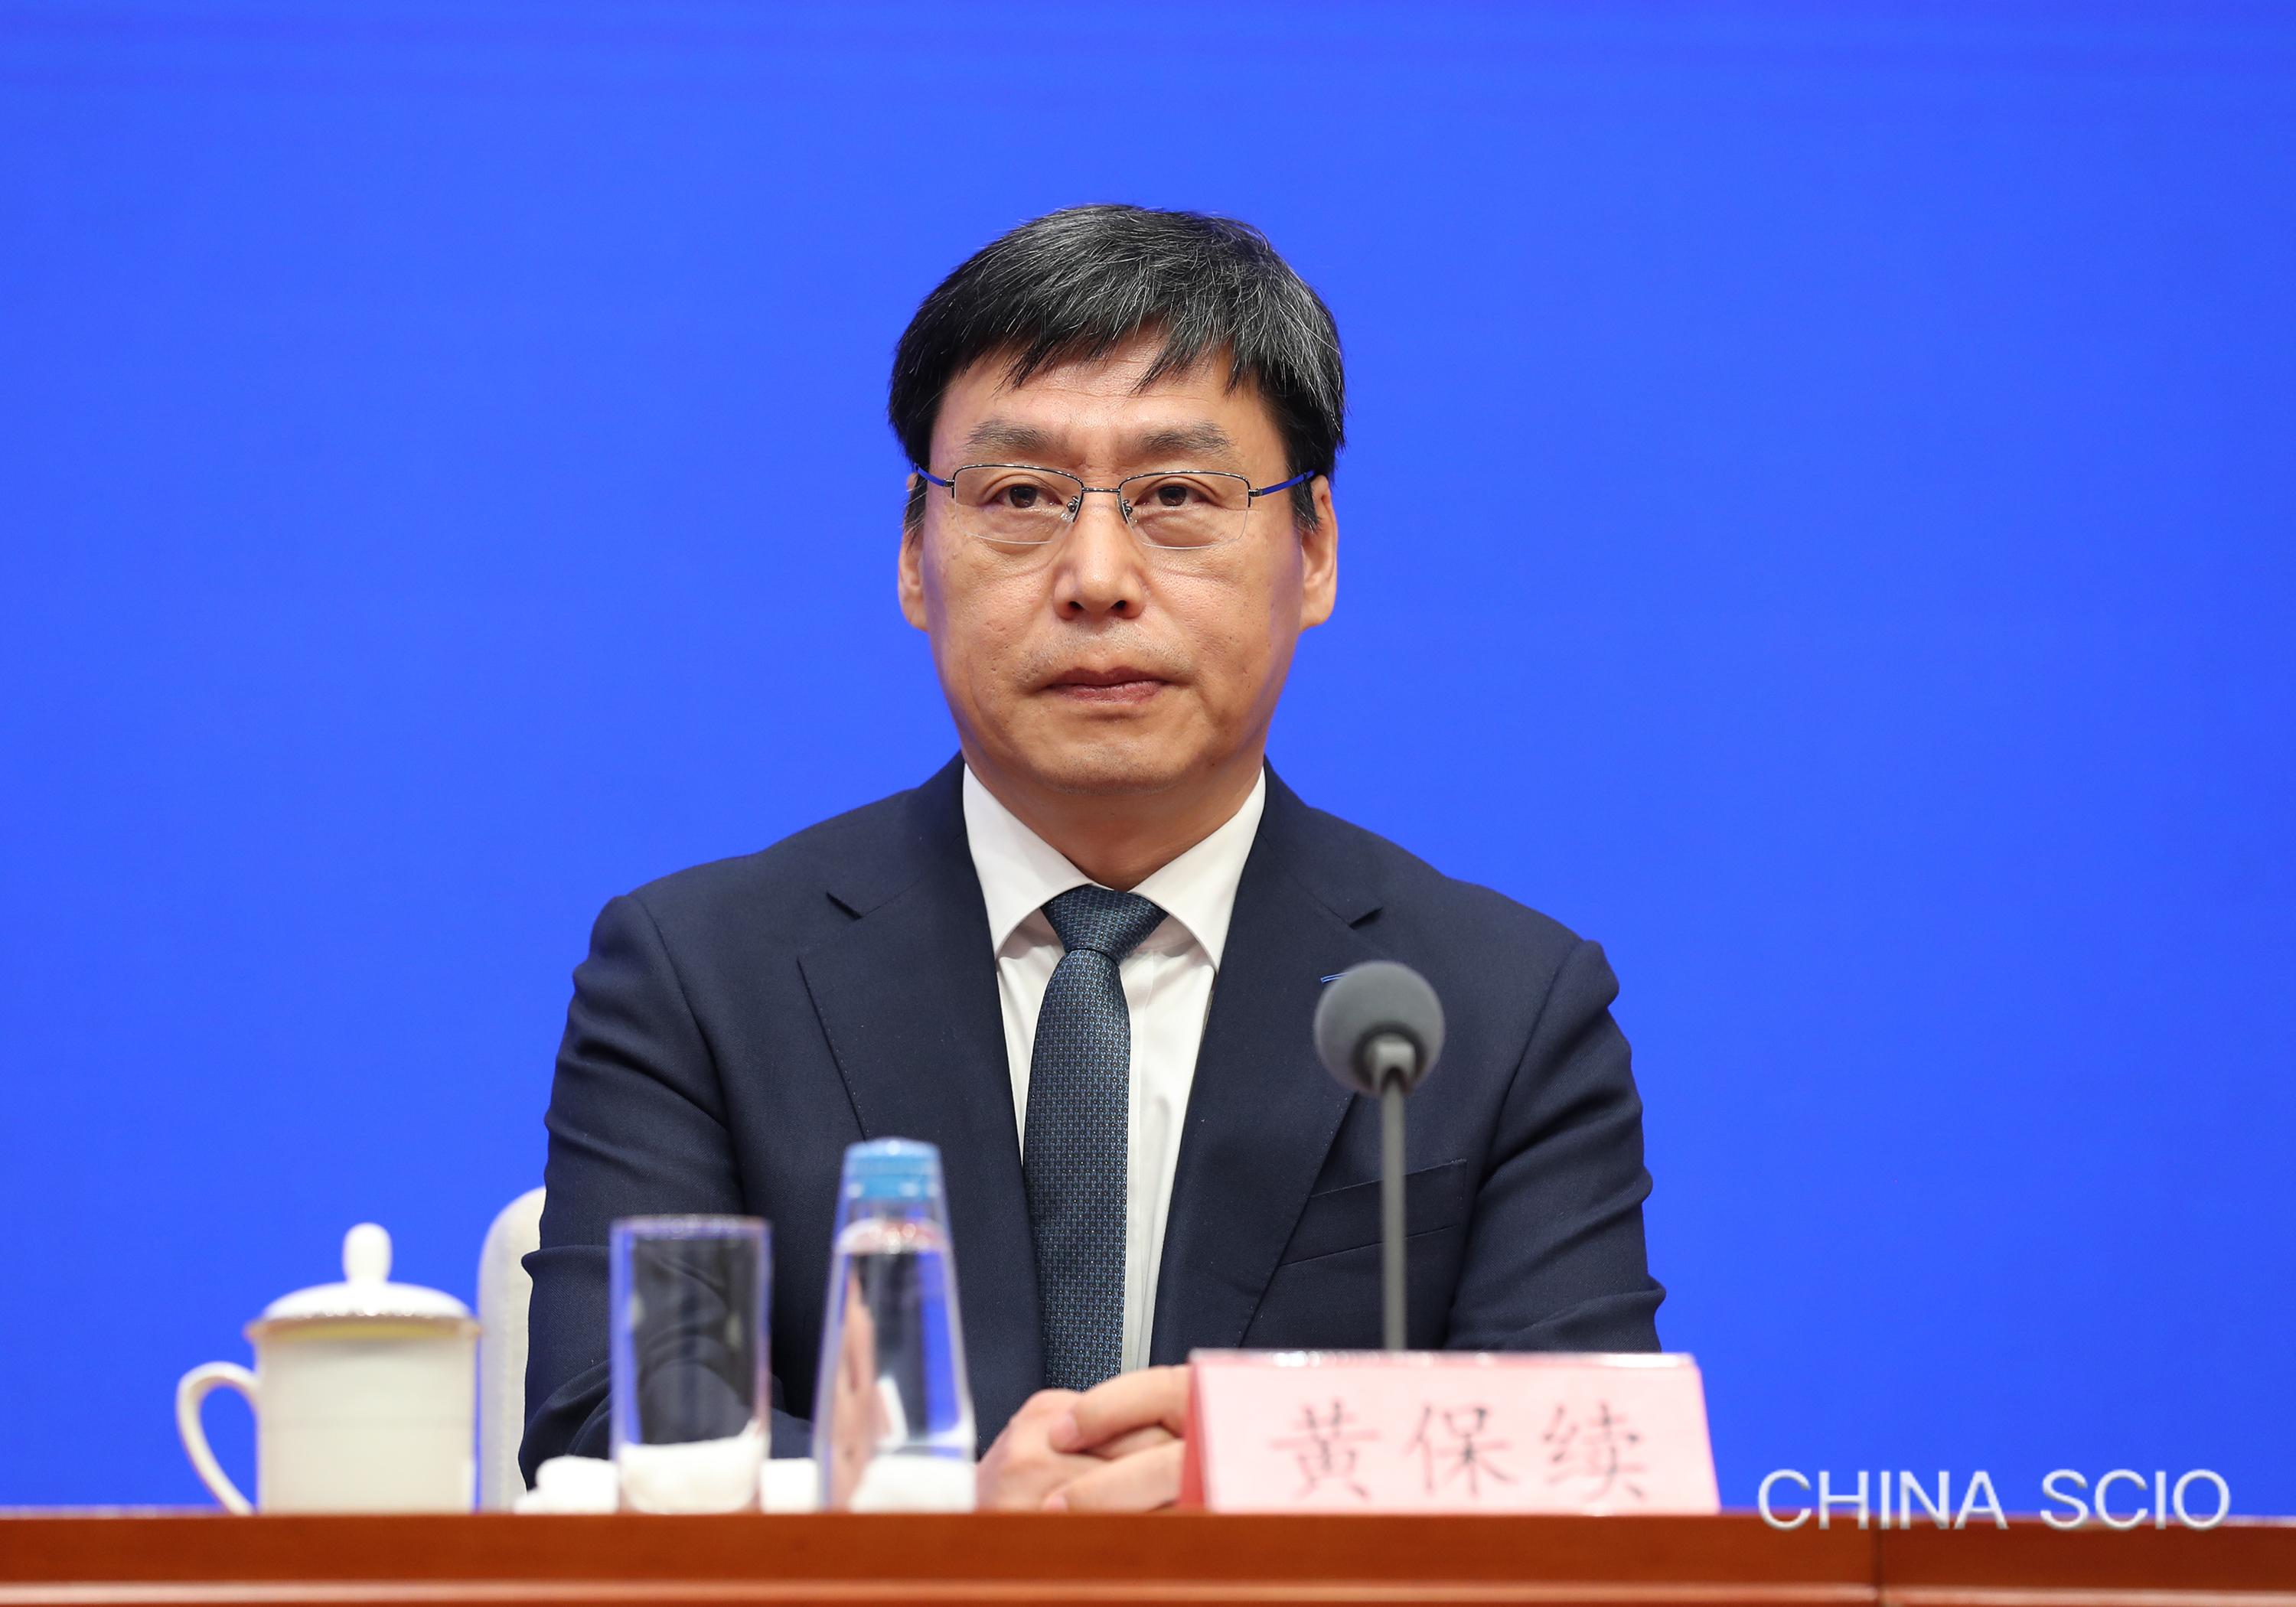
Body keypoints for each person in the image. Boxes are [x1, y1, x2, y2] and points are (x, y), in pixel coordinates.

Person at [522, 204, 1664, 1512]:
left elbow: (1592, 1469)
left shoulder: (1500, 1007)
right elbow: (604, 1430)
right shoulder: (703, 978)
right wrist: (957, 1522)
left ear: (1314, 550)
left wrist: (1249, 1494)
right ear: (914, 558)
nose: (1098, 575)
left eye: (1178, 496)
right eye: (1020, 497)